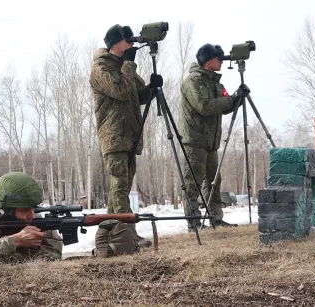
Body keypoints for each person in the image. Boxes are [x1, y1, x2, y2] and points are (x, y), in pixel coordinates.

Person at [89, 23, 162, 247]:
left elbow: (135, 93)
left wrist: (151, 88)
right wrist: (129, 63)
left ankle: (113, 235)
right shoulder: (101, 68)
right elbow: (119, 90)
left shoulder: (123, 65)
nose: (131, 44)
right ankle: (128, 235)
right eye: (127, 41)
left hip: (129, 134)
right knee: (120, 184)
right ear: (115, 43)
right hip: (114, 135)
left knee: (120, 187)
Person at [179, 43, 250, 231]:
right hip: (194, 140)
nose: (221, 61)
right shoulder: (192, 81)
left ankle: (216, 218)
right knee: (192, 182)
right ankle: (193, 222)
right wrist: (230, 99)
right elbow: (204, 106)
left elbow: (223, 107)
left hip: (210, 141)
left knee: (213, 181)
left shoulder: (214, 82)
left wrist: (236, 99)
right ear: (208, 60)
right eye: (218, 58)